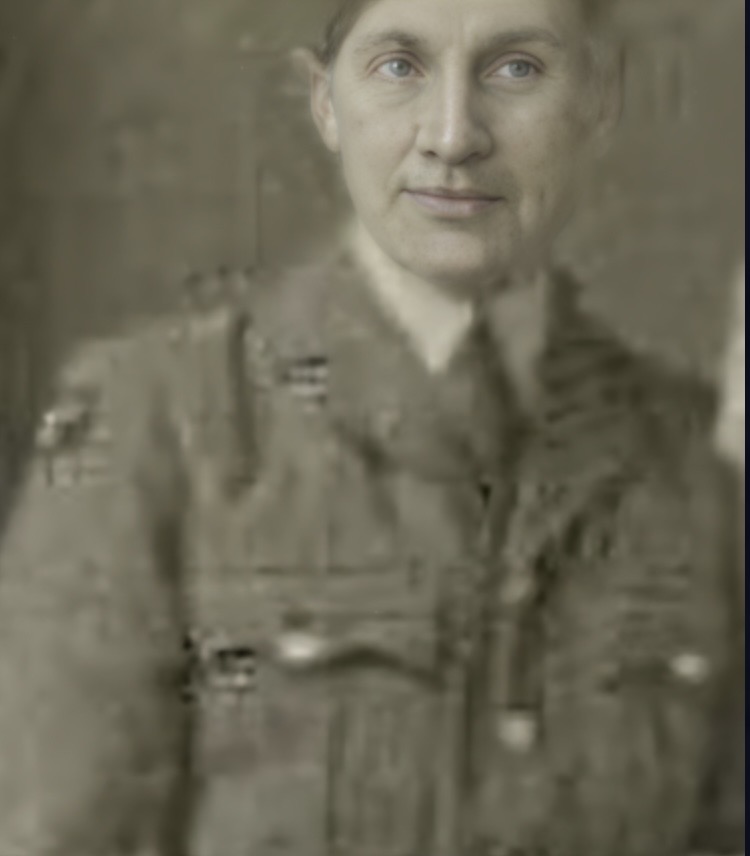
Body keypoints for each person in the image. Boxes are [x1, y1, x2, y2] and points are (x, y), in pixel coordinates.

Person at [0, 0, 743, 854]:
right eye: (399, 68)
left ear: (595, 102)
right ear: (326, 104)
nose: (454, 136)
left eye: (517, 71)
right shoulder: (158, 424)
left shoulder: (693, 460)